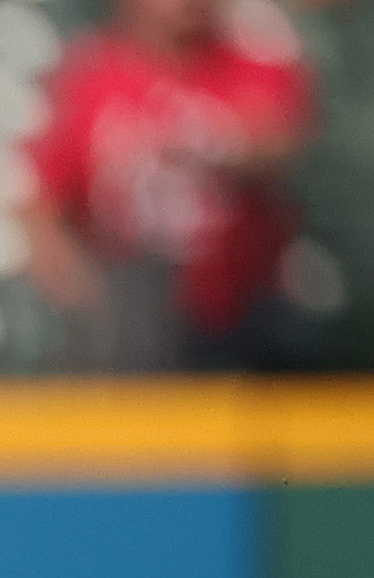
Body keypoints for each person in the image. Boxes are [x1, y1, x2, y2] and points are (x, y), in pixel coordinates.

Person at [19, 0, 317, 373]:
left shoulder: (253, 58)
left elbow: (280, 141)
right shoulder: (89, 76)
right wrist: (86, 302)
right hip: (135, 315)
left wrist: (216, 147)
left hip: (241, 311)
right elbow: (39, 205)